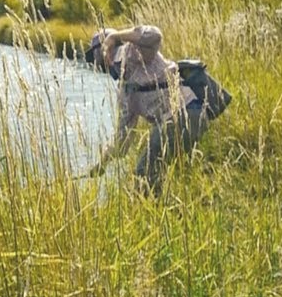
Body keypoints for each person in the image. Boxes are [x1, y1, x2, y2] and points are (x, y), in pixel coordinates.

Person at [86, 24, 207, 195]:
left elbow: (154, 35)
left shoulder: (131, 51)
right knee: (158, 174)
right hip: (182, 121)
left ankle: (150, 204)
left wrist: (115, 37)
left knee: (143, 174)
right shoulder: (125, 91)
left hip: (185, 113)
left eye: (97, 57)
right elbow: (122, 141)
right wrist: (102, 164)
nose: (98, 63)